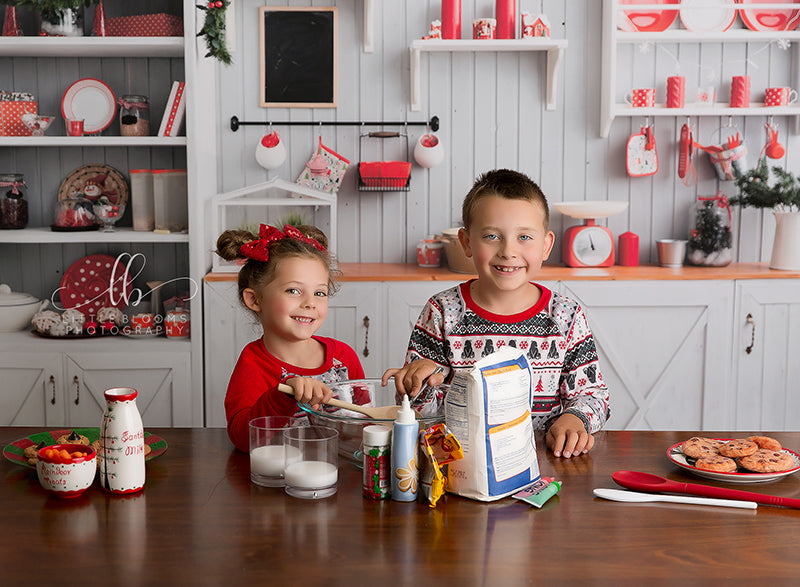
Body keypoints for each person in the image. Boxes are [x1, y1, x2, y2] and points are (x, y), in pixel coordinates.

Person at [382, 169, 610, 458]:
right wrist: (418, 385)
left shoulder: (566, 316)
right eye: (492, 236)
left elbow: (593, 395)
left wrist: (575, 419)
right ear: (466, 242)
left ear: (545, 246)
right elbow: (419, 412)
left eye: (524, 237)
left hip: (543, 463)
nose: (508, 251)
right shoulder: (442, 312)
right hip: (462, 464)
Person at [217, 223, 364, 452]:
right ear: (255, 300)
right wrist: (283, 395)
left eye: (319, 293)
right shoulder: (253, 363)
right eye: (293, 291)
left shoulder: (344, 357)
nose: (310, 303)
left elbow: (366, 422)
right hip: (280, 473)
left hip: (338, 470)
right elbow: (242, 439)